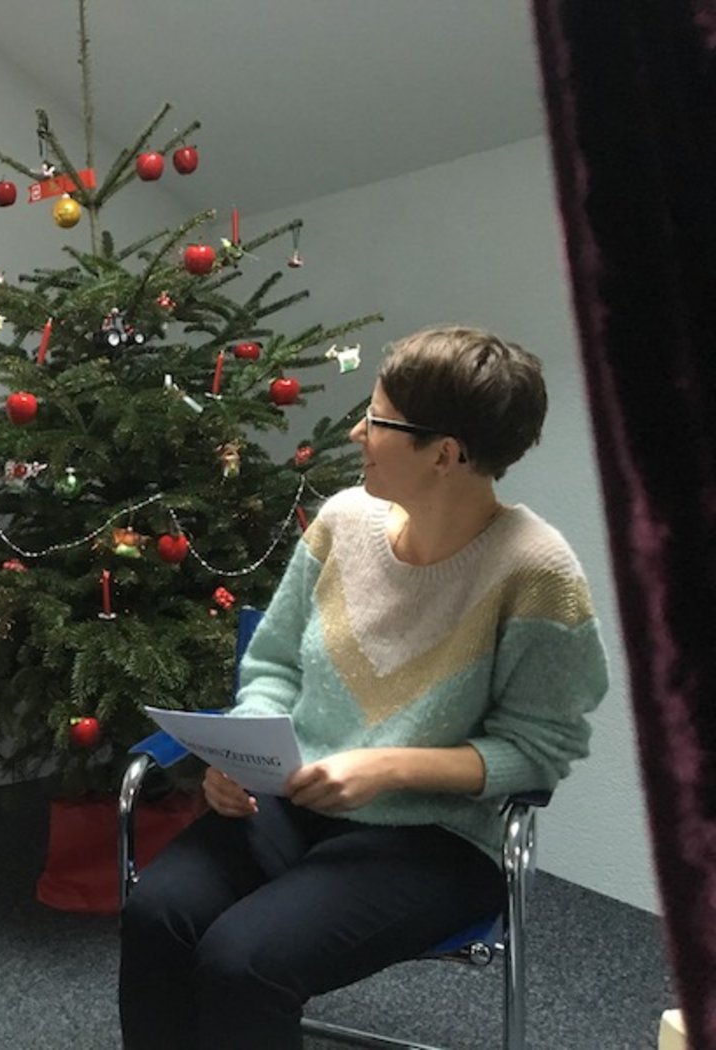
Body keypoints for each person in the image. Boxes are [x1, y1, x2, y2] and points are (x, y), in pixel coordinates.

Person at [119, 324, 608, 1049]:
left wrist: (387, 768)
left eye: (377, 421)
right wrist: (243, 753)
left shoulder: (538, 574)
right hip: (295, 799)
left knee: (243, 961)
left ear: (444, 454)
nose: (357, 432)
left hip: (436, 837)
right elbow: (275, 664)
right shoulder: (343, 522)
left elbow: (540, 749)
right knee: (157, 912)